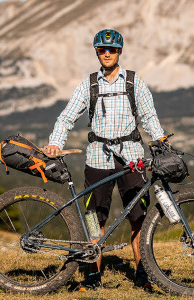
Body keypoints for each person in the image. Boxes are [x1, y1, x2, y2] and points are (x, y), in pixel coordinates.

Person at [44, 29, 166, 292]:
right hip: (98, 159)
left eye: (111, 49)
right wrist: (56, 142)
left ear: (120, 51)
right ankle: (92, 277)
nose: (107, 53)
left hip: (132, 158)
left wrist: (162, 143)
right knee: (93, 220)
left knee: (139, 219)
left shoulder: (134, 82)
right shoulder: (89, 85)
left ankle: (143, 275)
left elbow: (150, 118)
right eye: (102, 49)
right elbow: (66, 117)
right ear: (97, 52)